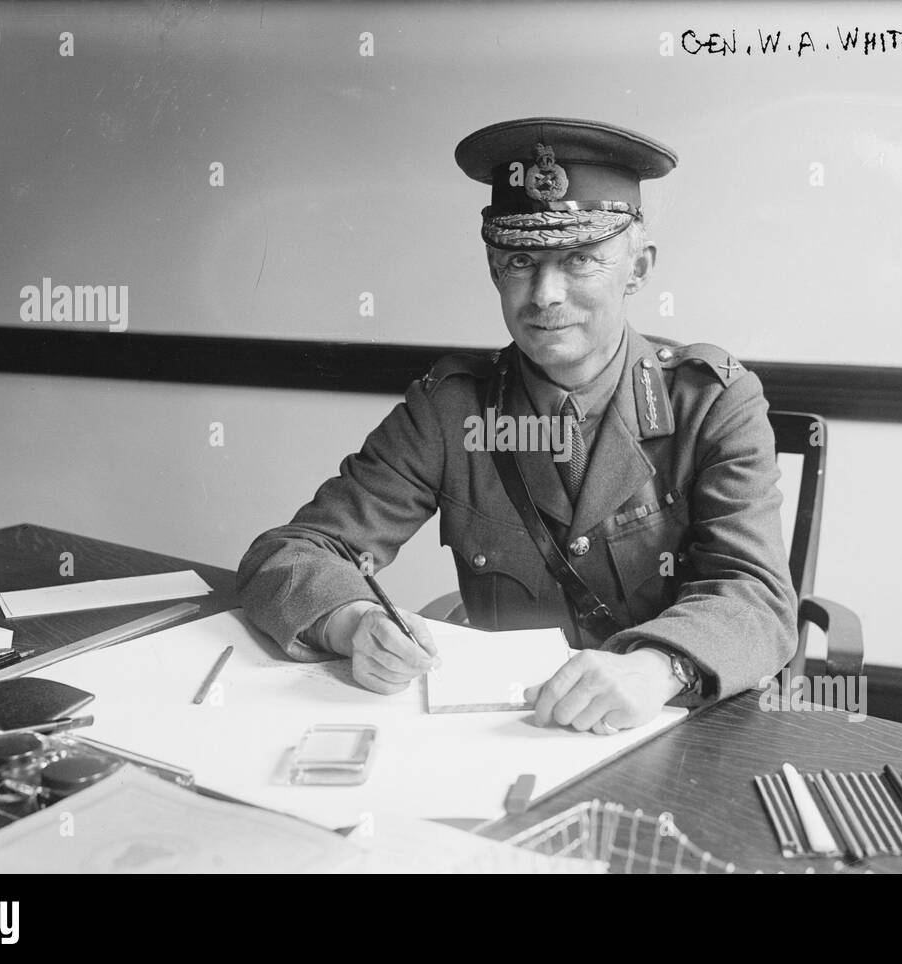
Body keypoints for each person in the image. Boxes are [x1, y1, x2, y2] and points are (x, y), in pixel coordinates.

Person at [237, 117, 797, 735]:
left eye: (580, 259)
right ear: (493, 269)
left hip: (677, 723)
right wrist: (353, 620)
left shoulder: (712, 401)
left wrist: (656, 667)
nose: (544, 294)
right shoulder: (452, 410)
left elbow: (757, 596)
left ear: (637, 271)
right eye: (521, 261)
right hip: (508, 731)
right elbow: (291, 553)